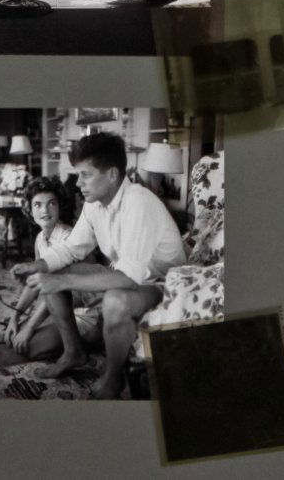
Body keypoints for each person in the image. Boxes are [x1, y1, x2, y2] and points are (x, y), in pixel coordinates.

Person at [14, 133, 186, 399]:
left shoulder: (139, 202)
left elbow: (129, 278)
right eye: (78, 175)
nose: (78, 183)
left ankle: (113, 378)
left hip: (162, 285)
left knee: (114, 300)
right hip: (127, 276)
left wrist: (64, 281)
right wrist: (37, 265)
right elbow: (72, 248)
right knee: (53, 270)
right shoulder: (94, 204)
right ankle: (73, 352)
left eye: (85, 175)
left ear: (112, 174)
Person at [4, 176, 100, 360]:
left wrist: (30, 328)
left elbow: (60, 290)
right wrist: (14, 317)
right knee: (16, 335)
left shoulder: (69, 238)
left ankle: (88, 344)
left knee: (30, 348)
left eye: (51, 203)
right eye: (38, 205)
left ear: (60, 206)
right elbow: (33, 283)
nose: (45, 211)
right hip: (63, 311)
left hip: (86, 314)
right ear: (29, 209)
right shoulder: (40, 238)